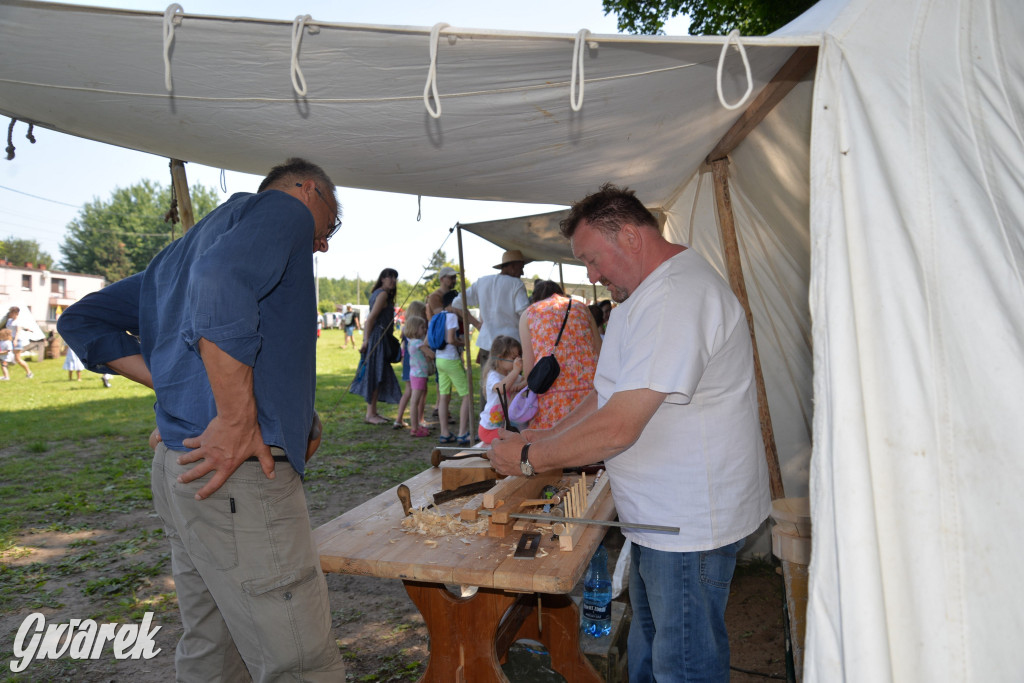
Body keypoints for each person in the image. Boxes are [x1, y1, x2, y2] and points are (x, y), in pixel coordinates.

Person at [57, 157, 347, 681]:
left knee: (213, 646)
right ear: (309, 190)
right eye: (331, 226)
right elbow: (220, 283)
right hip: (233, 477)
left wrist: (194, 393)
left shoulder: (177, 255)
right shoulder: (285, 211)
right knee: (300, 662)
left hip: (184, 469)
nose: (323, 244)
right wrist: (236, 419)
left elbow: (83, 320)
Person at [490, 183, 770, 683]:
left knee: (682, 667)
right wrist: (542, 435)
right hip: (659, 518)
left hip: (686, 525)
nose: (591, 275)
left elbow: (619, 425)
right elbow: (604, 396)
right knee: (651, 650)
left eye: (592, 259)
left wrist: (532, 457)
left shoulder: (676, 296)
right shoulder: (644, 298)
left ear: (631, 238)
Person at [520, 281, 601, 430]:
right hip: (591, 396)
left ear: (535, 299)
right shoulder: (581, 308)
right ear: (561, 293)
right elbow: (600, 351)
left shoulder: (529, 314)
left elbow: (529, 371)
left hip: (552, 399)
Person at [452, 249, 530, 366]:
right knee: (511, 378)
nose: (522, 273)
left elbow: (457, 303)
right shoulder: (516, 284)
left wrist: (477, 324)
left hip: (487, 344)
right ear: (513, 266)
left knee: (488, 377)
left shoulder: (482, 282)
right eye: (521, 268)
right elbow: (525, 314)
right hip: (511, 346)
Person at [350, 268, 402, 424]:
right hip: (378, 339)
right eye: (389, 277)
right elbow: (371, 319)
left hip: (380, 338)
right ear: (382, 279)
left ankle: (373, 412)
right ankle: (370, 414)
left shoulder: (379, 293)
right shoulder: (382, 294)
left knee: (379, 373)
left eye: (395, 277)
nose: (393, 280)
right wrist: (366, 340)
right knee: (375, 373)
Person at [434, 290, 471, 445]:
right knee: (467, 395)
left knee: (443, 397)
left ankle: (445, 433)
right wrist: (463, 343)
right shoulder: (452, 316)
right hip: (451, 359)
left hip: (439, 359)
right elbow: (450, 339)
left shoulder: (437, 316)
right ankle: (462, 433)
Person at [477, 335, 526, 444]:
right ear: (500, 358)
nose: (517, 361)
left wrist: (519, 385)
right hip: (488, 429)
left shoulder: (509, 375)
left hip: (501, 427)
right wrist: (515, 371)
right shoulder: (493, 375)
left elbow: (526, 380)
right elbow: (500, 389)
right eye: (513, 358)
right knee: (514, 441)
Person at [394, 300, 427, 429]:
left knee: (408, 391)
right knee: (420, 392)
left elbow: (403, 347)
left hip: (408, 363)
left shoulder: (406, 329)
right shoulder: (417, 331)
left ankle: (399, 418)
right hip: (415, 365)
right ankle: (420, 419)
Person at [403, 315, 431, 437]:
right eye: (422, 327)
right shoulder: (419, 343)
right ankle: (414, 428)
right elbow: (432, 354)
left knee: (415, 401)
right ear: (415, 329)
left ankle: (415, 426)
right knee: (415, 402)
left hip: (414, 374)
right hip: (420, 375)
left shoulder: (410, 342)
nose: (424, 329)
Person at [4, 307, 33, 378]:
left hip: (16, 341)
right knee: (5, 357)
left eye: (11, 312)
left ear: (16, 313)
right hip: (9, 340)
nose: (10, 314)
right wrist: (27, 329)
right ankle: (6, 375)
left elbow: (18, 331)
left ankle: (29, 373)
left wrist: (15, 340)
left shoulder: (18, 321)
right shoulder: (9, 320)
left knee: (18, 359)